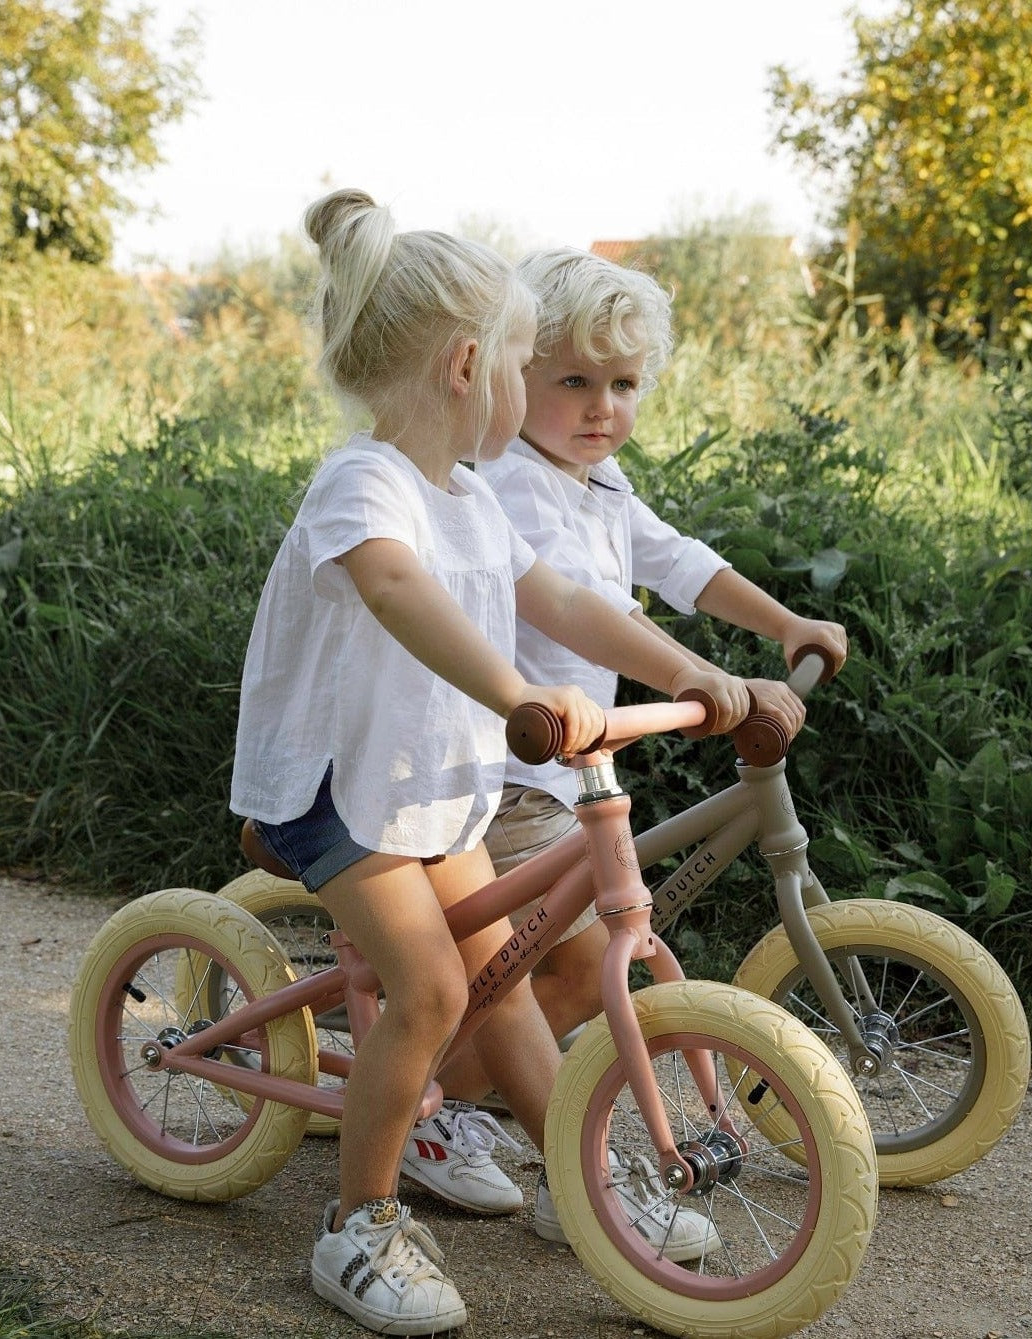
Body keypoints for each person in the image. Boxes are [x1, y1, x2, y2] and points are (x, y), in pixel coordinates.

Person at [230, 193, 751, 1337]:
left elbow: (562, 597)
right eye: (525, 361)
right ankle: (358, 1226)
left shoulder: (469, 497)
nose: (526, 388)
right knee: (428, 990)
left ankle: (581, 1176)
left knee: (498, 970)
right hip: (336, 788)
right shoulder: (363, 486)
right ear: (470, 365)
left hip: (426, 783)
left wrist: (690, 670)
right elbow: (395, 590)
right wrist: (517, 693)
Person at [398, 246, 849, 1224]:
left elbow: (678, 561)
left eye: (624, 383)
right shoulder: (513, 481)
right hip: (504, 770)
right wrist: (697, 674)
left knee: (563, 961)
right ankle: (455, 1117)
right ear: (515, 375)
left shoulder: (598, 480)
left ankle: (470, 1099)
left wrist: (782, 626)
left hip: (574, 767)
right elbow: (568, 611)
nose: (602, 406)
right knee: (539, 965)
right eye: (573, 380)